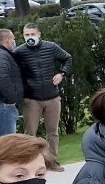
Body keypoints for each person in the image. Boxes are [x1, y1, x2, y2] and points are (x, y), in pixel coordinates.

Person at [12, 22, 72, 171]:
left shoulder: (51, 47)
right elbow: (13, 71)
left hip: (52, 97)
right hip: (31, 99)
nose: (30, 37)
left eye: (32, 34)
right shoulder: (19, 52)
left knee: (53, 132)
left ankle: (52, 161)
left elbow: (67, 58)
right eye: (27, 35)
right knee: (30, 133)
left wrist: (62, 73)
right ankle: (31, 163)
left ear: (39, 34)